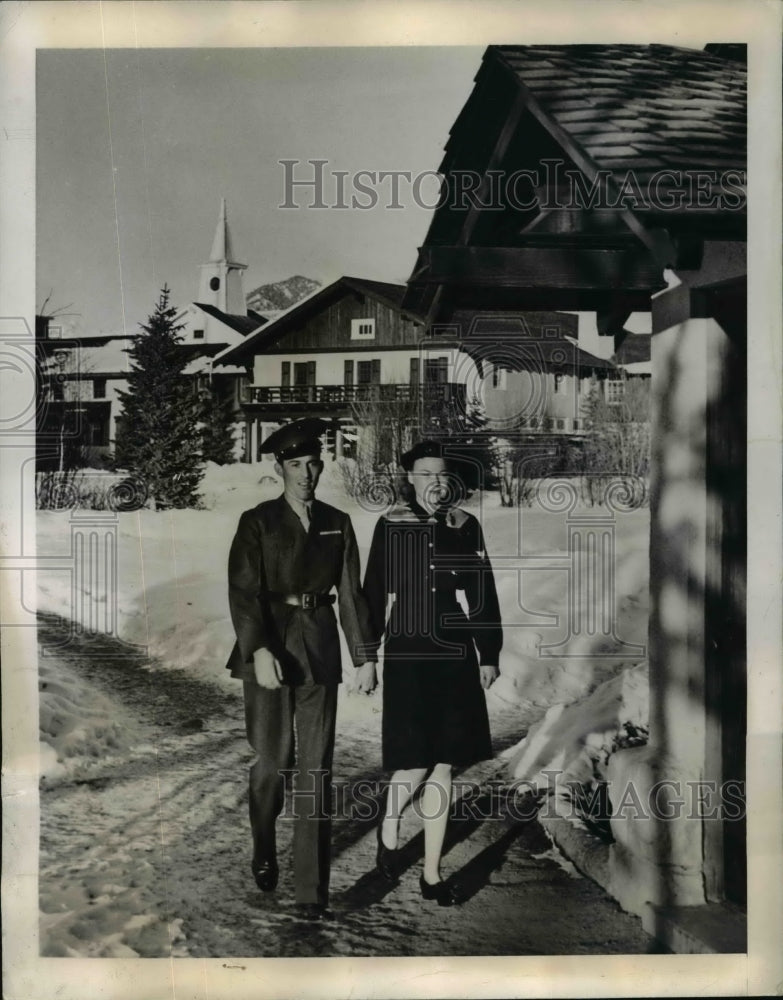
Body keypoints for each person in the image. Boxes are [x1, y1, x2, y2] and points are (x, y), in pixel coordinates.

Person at [226, 418, 377, 921]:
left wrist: (364, 655)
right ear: (279, 468)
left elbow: (351, 593)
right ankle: (264, 845)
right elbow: (244, 592)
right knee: (274, 761)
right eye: (296, 465)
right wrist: (258, 649)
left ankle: (310, 888)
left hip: (319, 650)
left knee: (316, 769)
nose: (307, 474)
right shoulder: (259, 520)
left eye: (313, 464)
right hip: (269, 651)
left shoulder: (337, 521)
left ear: (322, 465)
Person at [362, 439, 502, 906]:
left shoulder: (465, 526)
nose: (436, 483)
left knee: (444, 763)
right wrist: (368, 655)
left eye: (442, 475)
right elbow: (373, 592)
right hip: (407, 647)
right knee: (415, 762)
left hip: (455, 650)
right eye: (426, 475)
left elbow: (482, 592)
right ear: (410, 479)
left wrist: (488, 652)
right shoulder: (391, 525)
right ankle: (391, 823)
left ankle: (432, 872)